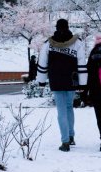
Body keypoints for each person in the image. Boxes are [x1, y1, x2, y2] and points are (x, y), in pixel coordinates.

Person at [37, 19, 87, 152]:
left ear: (56, 27)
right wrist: (83, 83)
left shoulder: (49, 43)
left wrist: (41, 81)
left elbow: (42, 63)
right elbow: (82, 63)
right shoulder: (77, 43)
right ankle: (71, 136)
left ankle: (65, 142)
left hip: (56, 80)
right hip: (72, 80)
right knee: (69, 107)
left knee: (61, 110)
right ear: (68, 27)